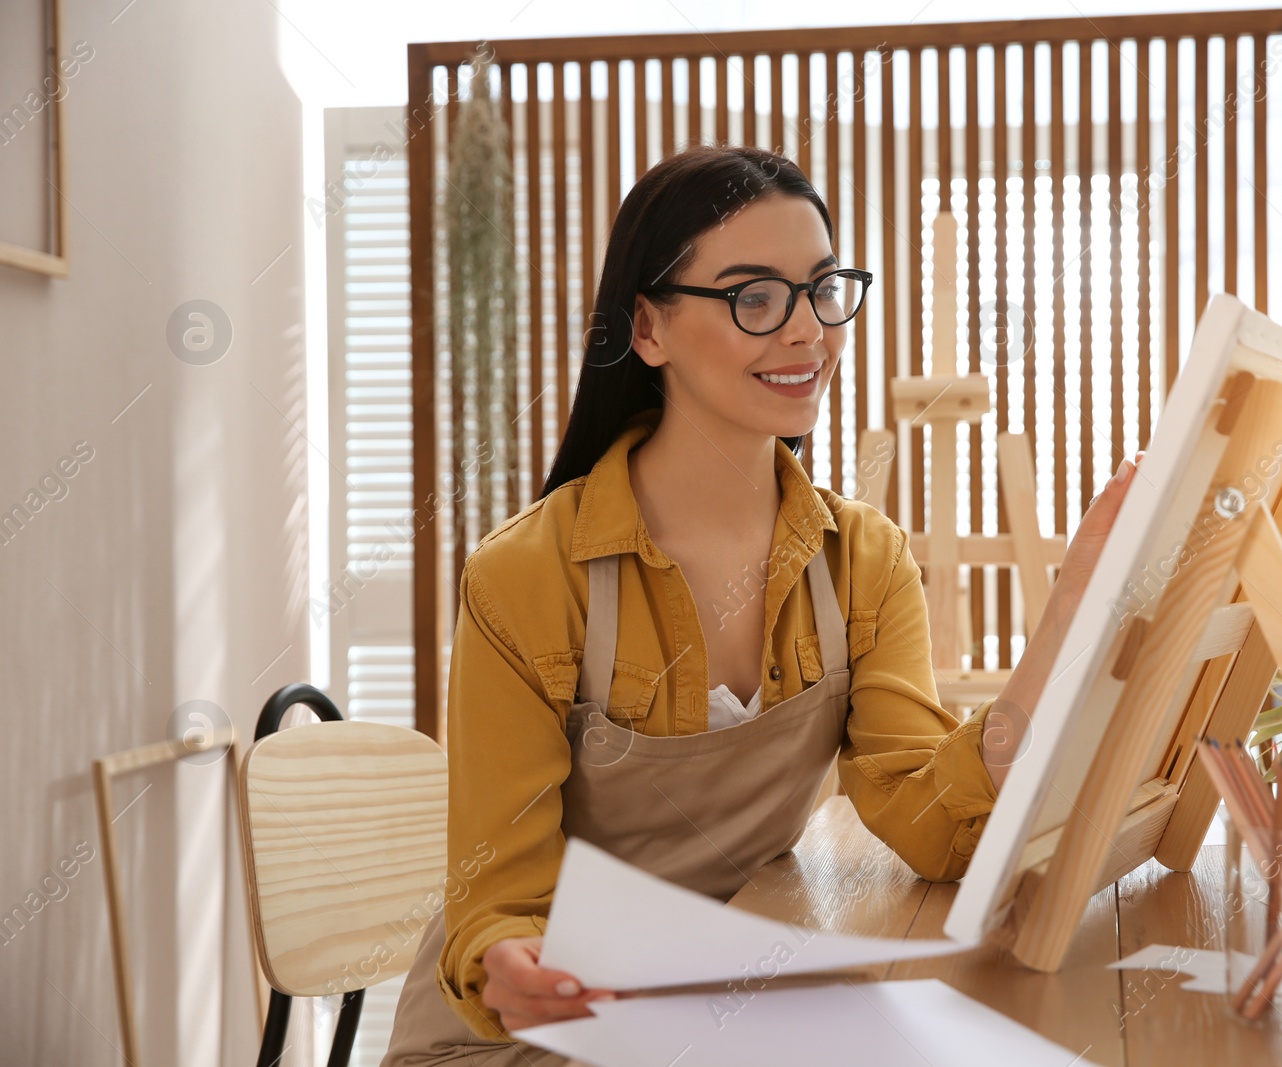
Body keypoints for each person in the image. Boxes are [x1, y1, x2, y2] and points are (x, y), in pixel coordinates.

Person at [381, 143, 1138, 1065]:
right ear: (649, 328)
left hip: (706, 1011)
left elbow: (933, 826)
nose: (807, 333)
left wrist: (1067, 610)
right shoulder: (528, 577)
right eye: (754, 297)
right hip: (525, 1038)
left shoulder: (863, 560)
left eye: (821, 290)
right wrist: (508, 956)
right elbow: (498, 897)